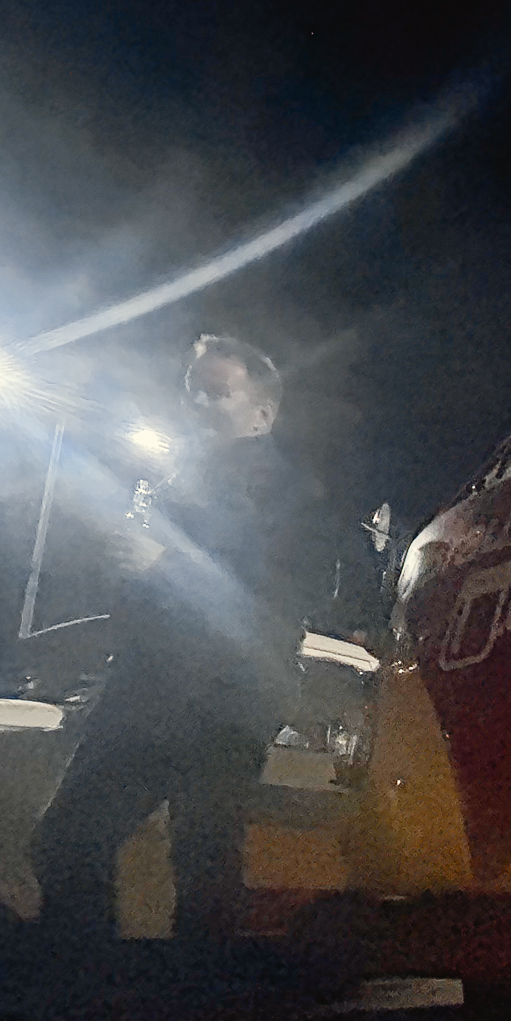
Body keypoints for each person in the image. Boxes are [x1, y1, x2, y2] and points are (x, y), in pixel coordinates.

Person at [30, 335, 331, 942]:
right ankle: (99, 980)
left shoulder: (287, 493)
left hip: (222, 698)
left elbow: (288, 593)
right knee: (86, 843)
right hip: (155, 690)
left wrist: (163, 563)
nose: (196, 404)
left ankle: (125, 985)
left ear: (261, 416)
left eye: (216, 392)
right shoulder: (181, 482)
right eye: (192, 390)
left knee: (195, 862)